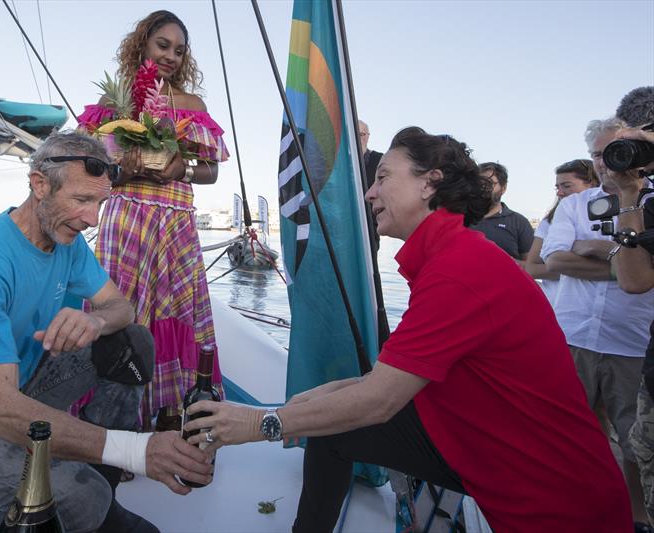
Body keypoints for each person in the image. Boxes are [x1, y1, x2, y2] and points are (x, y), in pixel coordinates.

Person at [184, 127, 631, 532]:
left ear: (429, 182)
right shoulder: (450, 256)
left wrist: (263, 422)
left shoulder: (460, 271)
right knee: (330, 426)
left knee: (337, 421)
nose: (369, 194)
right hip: (479, 447)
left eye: (382, 177)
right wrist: (315, 398)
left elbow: (380, 400)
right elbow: (389, 378)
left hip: (554, 501)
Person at [0, 132, 213, 533]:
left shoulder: (68, 241)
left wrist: (95, 320)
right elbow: (1, 411)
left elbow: (122, 309)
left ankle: (96, 484)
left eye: (100, 203)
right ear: (39, 184)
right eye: (81, 200)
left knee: (131, 343)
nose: (93, 219)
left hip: (14, 390)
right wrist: (136, 450)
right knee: (80, 500)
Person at [76, 10, 229, 432]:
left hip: (176, 220)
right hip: (127, 218)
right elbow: (93, 171)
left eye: (179, 51)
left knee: (178, 313)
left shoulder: (192, 106)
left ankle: (168, 415)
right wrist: (125, 168)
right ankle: (111, 423)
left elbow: (212, 171)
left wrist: (182, 170)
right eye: (163, 45)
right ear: (142, 43)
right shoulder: (114, 106)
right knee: (116, 310)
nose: (171, 56)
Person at [541, 117, 654, 527]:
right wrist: (625, 263)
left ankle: (637, 518)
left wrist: (594, 248)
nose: (608, 164)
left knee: (635, 443)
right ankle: (567, 510)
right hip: (573, 337)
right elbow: (554, 262)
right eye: (598, 156)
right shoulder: (573, 206)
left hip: (632, 343)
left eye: (616, 153)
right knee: (565, 433)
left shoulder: (651, 204)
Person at [611, 89, 654, 528]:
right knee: (641, 458)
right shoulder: (645, 201)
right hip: (653, 374)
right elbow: (633, 280)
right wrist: (629, 195)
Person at [524, 159, 599, 303]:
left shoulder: (614, 217)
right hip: (559, 304)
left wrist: (570, 262)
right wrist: (600, 269)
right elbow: (532, 268)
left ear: (592, 184)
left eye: (566, 186)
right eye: (557, 187)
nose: (560, 192)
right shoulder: (548, 222)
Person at [469, 162, 534, 264]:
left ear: (503, 188)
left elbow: (532, 266)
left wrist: (507, 263)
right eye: (479, 182)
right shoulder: (460, 218)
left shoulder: (519, 222)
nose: (483, 187)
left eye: (489, 183)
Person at [359, 119, 383, 251]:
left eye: (361, 134)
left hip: (370, 228)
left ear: (368, 136)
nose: (357, 138)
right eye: (353, 134)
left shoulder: (380, 161)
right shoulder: (339, 165)